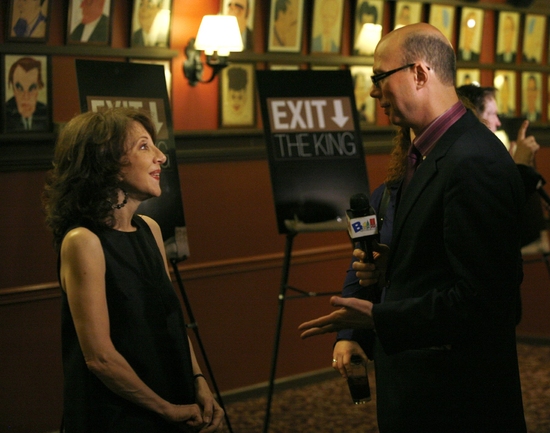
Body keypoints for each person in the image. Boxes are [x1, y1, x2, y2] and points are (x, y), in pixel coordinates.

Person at [299, 23, 527, 432]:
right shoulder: (431, 152)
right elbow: (442, 265)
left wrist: (380, 317)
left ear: (420, 73)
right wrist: (394, 266)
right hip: (424, 391)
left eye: (378, 77)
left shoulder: (472, 160)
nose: (372, 92)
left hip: (457, 404)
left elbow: (485, 304)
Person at [42, 108, 224, 432]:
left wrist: (199, 382)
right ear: (106, 162)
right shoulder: (83, 242)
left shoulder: (151, 229)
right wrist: (165, 410)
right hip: (120, 417)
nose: (161, 157)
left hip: (172, 402)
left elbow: (171, 321)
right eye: (144, 146)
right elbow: (100, 358)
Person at [457, 84, 547, 251]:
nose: (498, 122)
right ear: (473, 117)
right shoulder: (466, 161)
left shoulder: (483, 152)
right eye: (491, 114)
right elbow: (499, 216)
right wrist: (520, 166)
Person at [5, 56, 49, 132]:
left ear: (38, 89)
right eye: (19, 88)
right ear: (13, 90)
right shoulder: (5, 114)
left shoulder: (46, 114)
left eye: (32, 88)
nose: (26, 97)